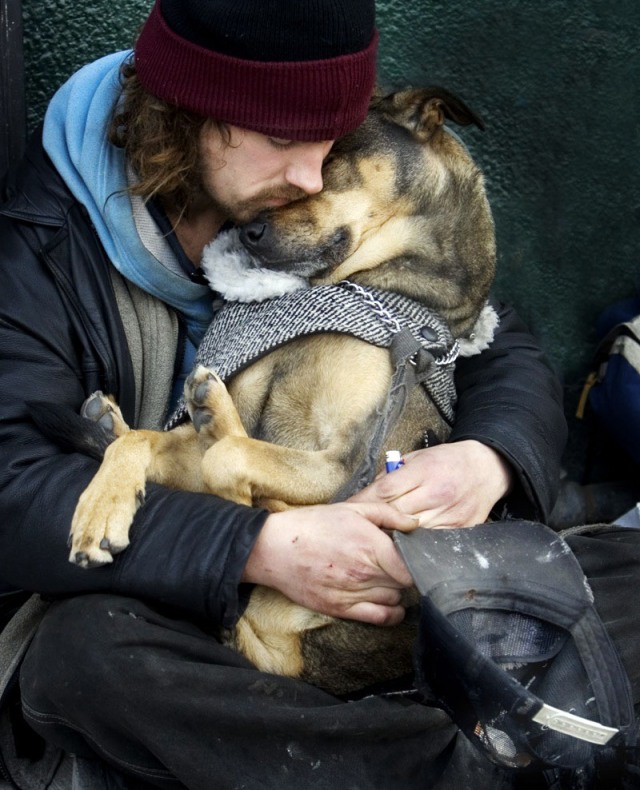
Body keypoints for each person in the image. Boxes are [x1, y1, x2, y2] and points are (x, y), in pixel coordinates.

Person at [0, 0, 580, 788]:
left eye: (330, 145)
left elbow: (494, 334)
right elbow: (14, 491)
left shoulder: (309, 212)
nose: (309, 175)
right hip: (159, 593)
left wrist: (491, 459)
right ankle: (441, 765)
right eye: (281, 139)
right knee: (80, 658)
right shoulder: (39, 250)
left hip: (359, 594)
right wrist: (257, 551)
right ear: (189, 112)